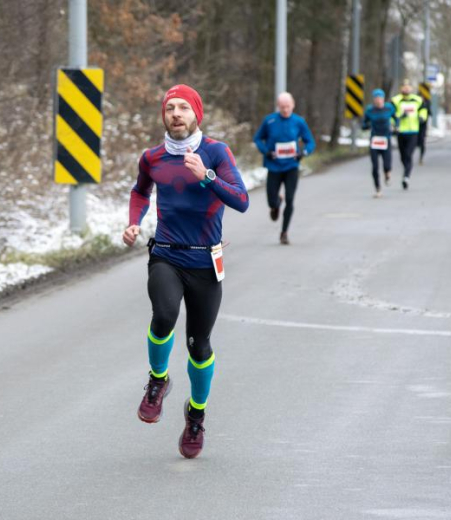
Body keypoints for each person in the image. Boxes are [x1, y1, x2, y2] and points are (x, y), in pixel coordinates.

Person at [122, 84, 249, 459]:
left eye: (183, 108)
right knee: (163, 315)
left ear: (197, 114)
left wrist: (207, 176)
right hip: (166, 254)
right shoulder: (153, 157)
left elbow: (241, 200)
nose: (176, 113)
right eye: (170, 108)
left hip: (205, 262)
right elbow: (140, 191)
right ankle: (158, 381)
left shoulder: (216, 152)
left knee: (199, 345)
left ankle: (196, 414)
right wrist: (133, 222)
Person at [253, 92, 315, 245]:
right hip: (274, 166)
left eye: (287, 106)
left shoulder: (299, 122)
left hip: (291, 167)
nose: (285, 110)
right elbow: (257, 138)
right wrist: (266, 151)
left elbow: (310, 142)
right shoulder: (270, 121)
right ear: (278, 106)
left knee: (290, 199)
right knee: (271, 201)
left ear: (293, 105)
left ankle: (284, 232)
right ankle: (275, 205)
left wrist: (303, 152)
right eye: (282, 107)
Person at [362, 89, 397, 198]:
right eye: (376, 98)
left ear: (383, 98)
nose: (378, 100)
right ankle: (378, 189)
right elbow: (364, 123)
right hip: (374, 141)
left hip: (385, 139)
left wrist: (396, 126)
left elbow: (396, 118)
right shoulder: (370, 110)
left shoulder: (389, 108)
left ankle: (387, 174)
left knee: (387, 164)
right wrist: (366, 126)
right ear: (373, 99)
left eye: (380, 98)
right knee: (375, 166)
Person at [390, 81, 425, 190]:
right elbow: (391, 115)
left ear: (411, 88)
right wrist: (399, 117)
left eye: (408, 87)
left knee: (409, 155)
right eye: (404, 87)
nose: (406, 89)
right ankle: (406, 171)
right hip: (401, 131)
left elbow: (423, 110)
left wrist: (422, 117)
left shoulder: (417, 100)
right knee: (403, 156)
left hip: (413, 131)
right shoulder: (396, 100)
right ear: (401, 88)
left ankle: (406, 177)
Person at [417, 96, 431, 165]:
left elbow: (429, 113)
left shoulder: (425, 105)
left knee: (422, 142)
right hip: (414, 128)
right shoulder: (414, 105)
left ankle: (421, 158)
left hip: (422, 127)